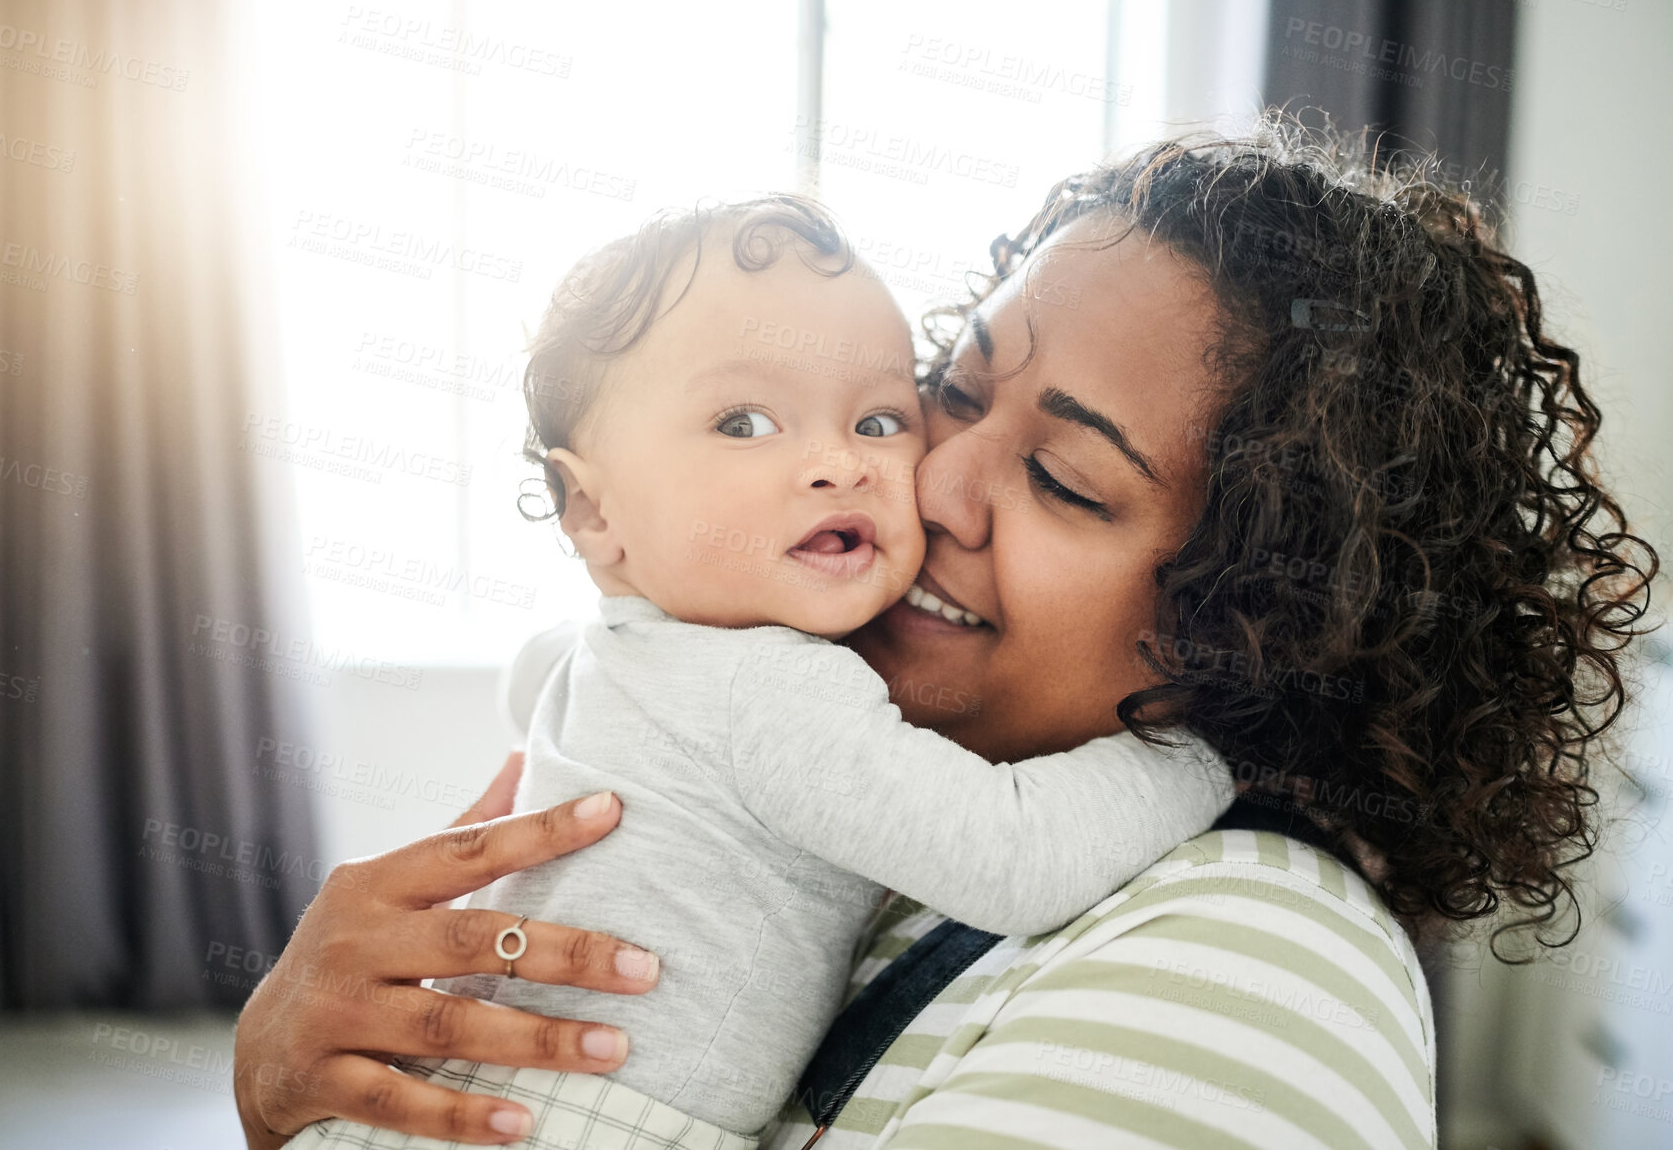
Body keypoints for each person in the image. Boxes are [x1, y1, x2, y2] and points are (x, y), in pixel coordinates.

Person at [234, 123, 1657, 1150]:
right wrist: (290, 1080)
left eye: (1064, 481)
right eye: (947, 394)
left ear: (1270, 616)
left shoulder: (1256, 968)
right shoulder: (873, 761)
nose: (922, 481)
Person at [284, 198, 1231, 1150]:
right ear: (592, 508)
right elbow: (1016, 855)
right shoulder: (773, 694)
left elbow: (528, 686)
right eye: (743, 422)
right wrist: (1205, 753)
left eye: (877, 417)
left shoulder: (606, 651)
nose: (837, 463)